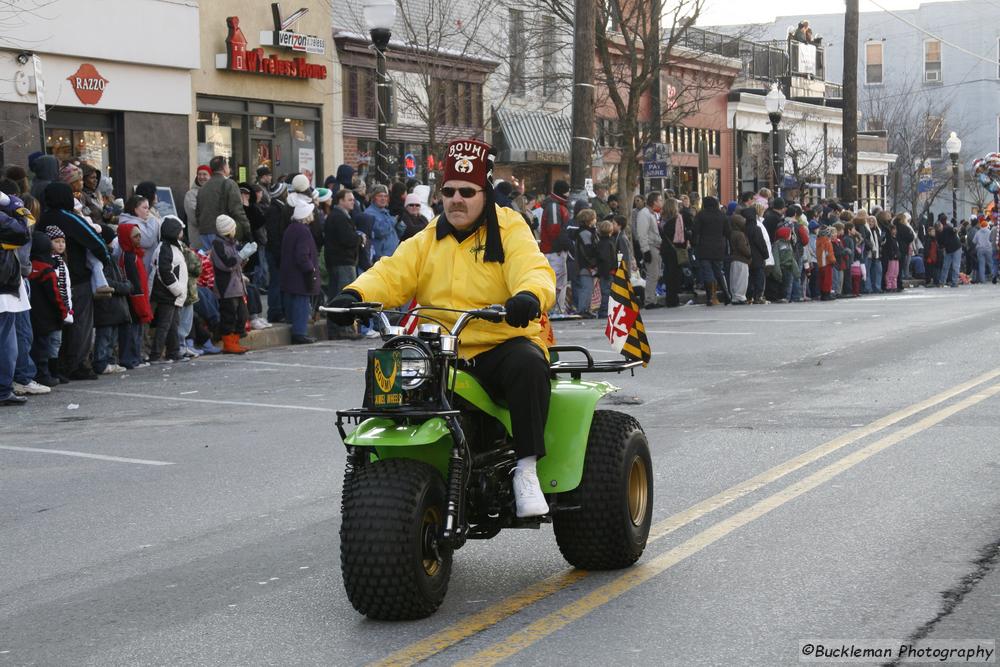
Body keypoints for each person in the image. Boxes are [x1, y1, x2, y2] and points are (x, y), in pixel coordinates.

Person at [327, 138, 556, 518]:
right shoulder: (428, 237)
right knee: (389, 367)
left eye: (467, 192)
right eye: (448, 192)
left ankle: (527, 468)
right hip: (441, 349)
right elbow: (392, 272)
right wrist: (354, 294)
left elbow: (533, 267)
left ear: (484, 193)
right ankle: (372, 464)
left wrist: (529, 296)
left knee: (529, 365)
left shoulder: (509, 228)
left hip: (498, 343)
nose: (456, 200)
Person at [44, 182, 111, 380]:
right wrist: (104, 259)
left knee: (57, 323)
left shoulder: (43, 218)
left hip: (49, 277)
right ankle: (75, 364)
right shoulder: (70, 218)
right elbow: (95, 240)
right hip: (76, 277)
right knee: (79, 322)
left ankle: (56, 364)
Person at [148, 216, 188, 363]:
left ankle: (174, 351)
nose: (182, 233)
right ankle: (156, 354)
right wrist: (177, 290)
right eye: (180, 230)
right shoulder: (165, 248)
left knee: (172, 325)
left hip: (172, 294)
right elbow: (164, 272)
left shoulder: (173, 246)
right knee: (164, 325)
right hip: (167, 294)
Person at [324, 188, 362, 340]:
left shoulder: (341, 216)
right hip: (342, 262)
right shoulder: (338, 217)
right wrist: (359, 239)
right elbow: (347, 239)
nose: (353, 202)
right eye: (349, 199)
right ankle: (342, 330)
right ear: (340, 201)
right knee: (343, 297)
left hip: (341, 261)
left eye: (353, 199)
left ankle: (340, 330)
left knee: (337, 295)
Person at [280, 201, 321, 345]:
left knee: (293, 302)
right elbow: (302, 255)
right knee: (301, 304)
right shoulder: (303, 231)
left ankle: (298, 331)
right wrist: (310, 269)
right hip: (300, 275)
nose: (313, 214)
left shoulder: (291, 228)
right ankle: (299, 332)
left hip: (290, 273)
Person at [210, 215, 249, 354]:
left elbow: (236, 264)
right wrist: (241, 256)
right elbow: (227, 264)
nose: (235, 230)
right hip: (226, 287)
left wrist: (244, 258)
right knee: (229, 316)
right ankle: (228, 343)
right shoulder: (218, 245)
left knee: (242, 315)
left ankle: (235, 341)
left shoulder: (231, 243)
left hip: (237, 285)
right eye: (234, 228)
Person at [116, 223, 153, 368]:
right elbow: (134, 282)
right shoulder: (129, 257)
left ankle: (135, 358)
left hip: (139, 297)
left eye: (139, 236)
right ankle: (130, 359)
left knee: (136, 331)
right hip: (134, 300)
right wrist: (140, 302)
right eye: (135, 236)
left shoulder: (135, 255)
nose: (139, 239)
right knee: (131, 332)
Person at [196, 156, 250, 250]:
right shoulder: (229, 184)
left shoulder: (203, 188)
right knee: (227, 263)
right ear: (224, 167)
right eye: (228, 165)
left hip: (204, 232)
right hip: (223, 232)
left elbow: (197, 213)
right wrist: (247, 230)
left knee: (210, 263)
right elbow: (237, 210)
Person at [691, 195, 731, 306]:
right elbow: (728, 232)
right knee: (718, 271)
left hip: (704, 247)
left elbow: (695, 231)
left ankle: (710, 297)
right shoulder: (722, 216)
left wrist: (694, 243)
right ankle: (726, 294)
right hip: (719, 247)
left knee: (707, 271)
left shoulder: (701, 215)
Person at [539, 180, 572, 314]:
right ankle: (556, 309)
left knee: (557, 281)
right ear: (564, 191)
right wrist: (561, 246)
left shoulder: (554, 205)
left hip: (553, 250)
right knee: (557, 282)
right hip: (554, 251)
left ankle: (557, 308)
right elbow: (554, 230)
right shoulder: (555, 206)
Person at [118, 195, 161, 276]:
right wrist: (153, 220)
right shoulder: (130, 223)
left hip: (143, 265)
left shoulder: (137, 221)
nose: (148, 211)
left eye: (148, 208)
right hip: (139, 267)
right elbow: (147, 241)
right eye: (145, 208)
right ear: (135, 209)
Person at [635, 191, 663, 308]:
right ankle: (649, 300)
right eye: (660, 200)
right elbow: (642, 233)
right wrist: (645, 250)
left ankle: (652, 298)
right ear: (654, 201)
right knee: (652, 274)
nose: (661, 202)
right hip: (650, 246)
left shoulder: (652, 214)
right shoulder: (644, 214)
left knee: (655, 274)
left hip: (655, 246)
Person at [659, 197, 687, 308]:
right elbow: (680, 236)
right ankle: (673, 298)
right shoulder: (678, 218)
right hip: (675, 248)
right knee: (676, 274)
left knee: (668, 273)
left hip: (665, 248)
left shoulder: (662, 219)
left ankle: (669, 298)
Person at [573, 209, 599, 317]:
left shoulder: (588, 232)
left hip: (586, 265)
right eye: (593, 218)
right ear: (589, 220)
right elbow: (588, 250)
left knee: (588, 288)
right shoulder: (585, 233)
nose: (595, 220)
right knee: (586, 288)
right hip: (585, 265)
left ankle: (586, 308)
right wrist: (593, 263)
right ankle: (582, 309)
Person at [367, 184, 400, 262]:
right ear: (374, 198)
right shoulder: (369, 213)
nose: (383, 199)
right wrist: (393, 221)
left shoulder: (385, 212)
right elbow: (380, 231)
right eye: (380, 196)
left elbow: (391, 232)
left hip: (391, 256)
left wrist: (400, 226)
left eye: (385, 196)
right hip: (381, 257)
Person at [184, 165, 211, 246]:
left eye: (204, 174)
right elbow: (194, 216)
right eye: (199, 174)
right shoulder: (191, 194)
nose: (201, 177)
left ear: (210, 176)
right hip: (198, 241)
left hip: (213, 241)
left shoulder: (214, 193)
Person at [728, 214, 751, 304]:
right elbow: (743, 248)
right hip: (742, 259)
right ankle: (740, 296)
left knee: (734, 278)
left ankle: (735, 296)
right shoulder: (740, 235)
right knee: (742, 279)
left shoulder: (732, 233)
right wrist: (749, 254)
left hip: (734, 258)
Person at [973, 218, 993, 283]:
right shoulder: (989, 232)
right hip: (989, 249)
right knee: (991, 263)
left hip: (980, 250)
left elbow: (974, 241)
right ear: (987, 225)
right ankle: (994, 277)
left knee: (981, 264)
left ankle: (982, 280)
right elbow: (992, 240)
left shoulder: (978, 232)